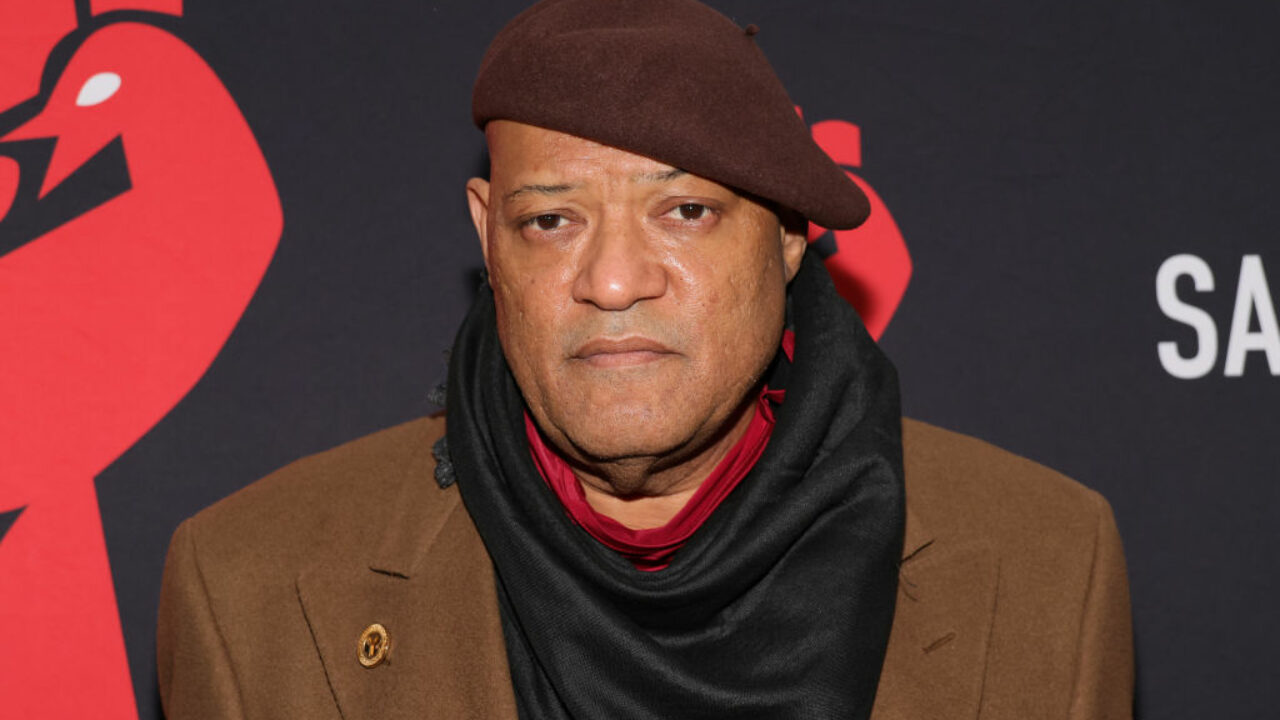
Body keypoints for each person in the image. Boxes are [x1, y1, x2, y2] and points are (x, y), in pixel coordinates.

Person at [157, 0, 1134, 718]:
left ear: (787, 235)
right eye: (551, 220)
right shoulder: (250, 588)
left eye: (685, 211)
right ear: (487, 235)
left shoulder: (1047, 565)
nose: (614, 281)